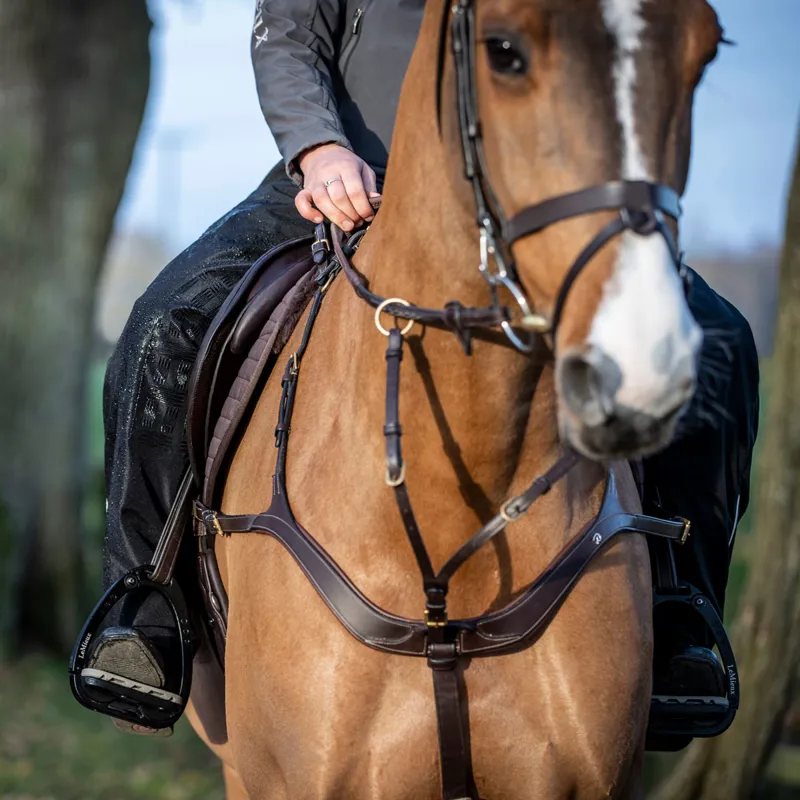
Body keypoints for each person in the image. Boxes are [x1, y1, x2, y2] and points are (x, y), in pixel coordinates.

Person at [84, 0, 759, 732]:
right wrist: (317, 147)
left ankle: (679, 608)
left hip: (524, 187)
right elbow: (288, 33)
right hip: (343, 183)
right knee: (165, 324)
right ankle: (145, 600)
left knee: (719, 338)